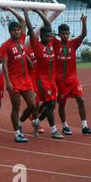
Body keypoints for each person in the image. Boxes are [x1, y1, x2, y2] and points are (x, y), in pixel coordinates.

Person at [50, 14, 91, 135]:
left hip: (73, 79)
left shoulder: (73, 44)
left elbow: (83, 35)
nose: (65, 36)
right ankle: (64, 125)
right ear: (59, 34)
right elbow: (48, 29)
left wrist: (83, 22)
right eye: (63, 34)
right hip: (61, 81)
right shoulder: (55, 43)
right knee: (62, 104)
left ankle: (84, 126)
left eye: (67, 33)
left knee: (81, 100)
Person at [24, 10, 63, 139]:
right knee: (50, 105)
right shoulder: (37, 45)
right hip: (42, 80)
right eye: (47, 36)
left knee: (52, 104)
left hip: (52, 80)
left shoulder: (51, 44)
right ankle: (53, 130)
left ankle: (37, 121)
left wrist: (40, 12)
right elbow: (30, 28)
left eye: (51, 36)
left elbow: (48, 24)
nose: (50, 38)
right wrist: (26, 13)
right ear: (41, 36)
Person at [0, 7, 36, 143]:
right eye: (14, 30)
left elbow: (22, 20)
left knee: (32, 105)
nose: (17, 31)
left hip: (25, 79)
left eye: (18, 29)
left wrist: (21, 10)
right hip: (14, 80)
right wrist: (8, 82)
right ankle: (17, 134)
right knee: (16, 107)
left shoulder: (21, 39)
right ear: (10, 32)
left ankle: (20, 122)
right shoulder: (5, 45)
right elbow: (4, 64)